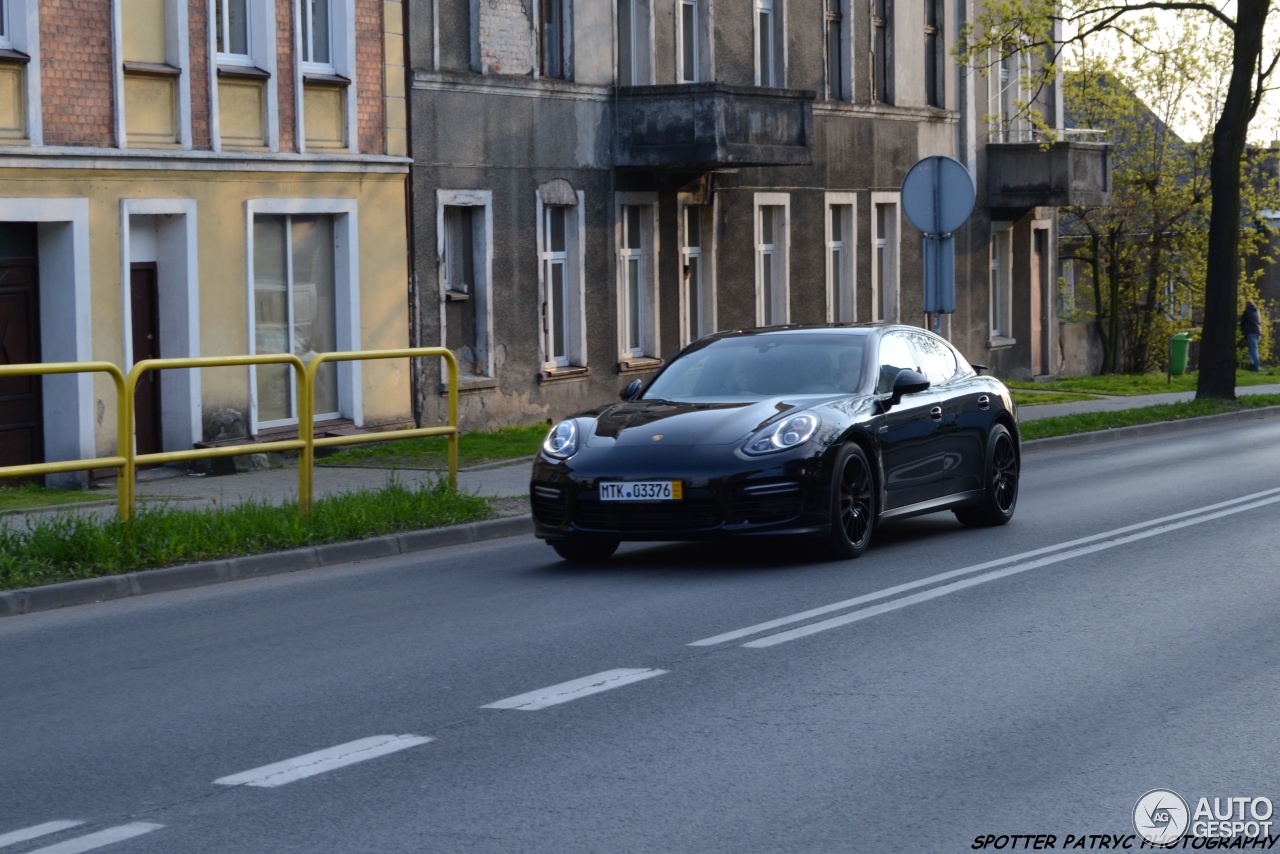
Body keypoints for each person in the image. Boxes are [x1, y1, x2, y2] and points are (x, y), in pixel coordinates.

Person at [1241, 299, 1262, 371]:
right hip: (1258, 332)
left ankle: (1256, 367)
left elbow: (1243, 322)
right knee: (1253, 349)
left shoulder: (1247, 312)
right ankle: (1252, 365)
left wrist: (1243, 331)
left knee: (1253, 350)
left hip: (1251, 332)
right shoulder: (1257, 311)